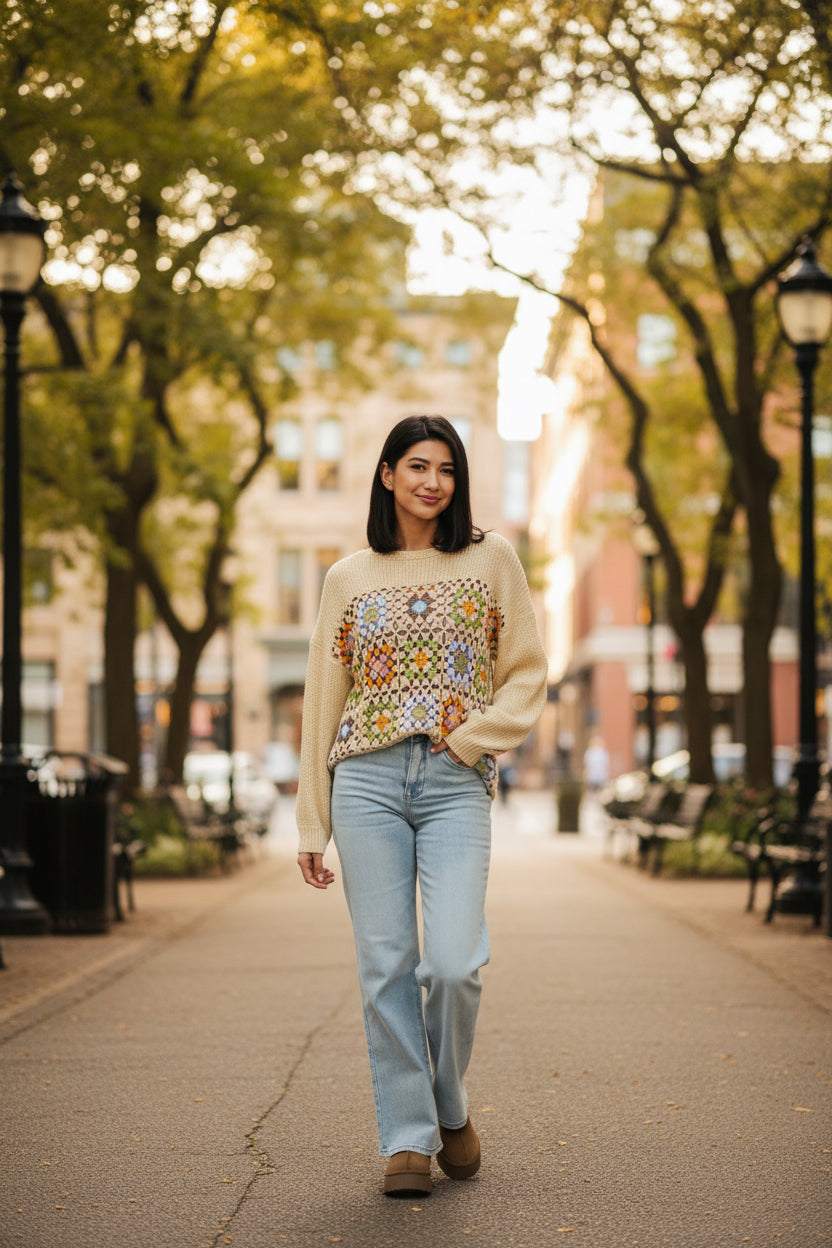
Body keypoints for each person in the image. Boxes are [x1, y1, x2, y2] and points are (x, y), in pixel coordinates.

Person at [296, 415, 548, 1197]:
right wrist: (314, 820)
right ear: (386, 475)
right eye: (416, 466)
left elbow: (528, 671)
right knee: (386, 966)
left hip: (453, 781)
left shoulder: (489, 558)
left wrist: (474, 738)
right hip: (365, 782)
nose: (432, 481)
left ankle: (447, 1101)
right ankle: (408, 1139)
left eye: (445, 468)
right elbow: (321, 703)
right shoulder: (348, 578)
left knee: (453, 963)